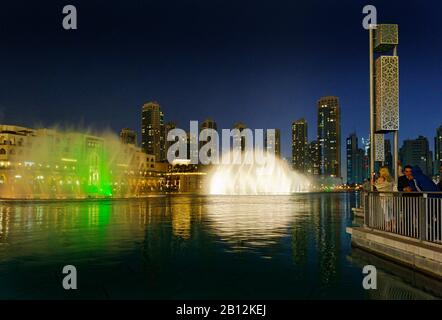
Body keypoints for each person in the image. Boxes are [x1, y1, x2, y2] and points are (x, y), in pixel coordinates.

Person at [372, 166, 394, 231]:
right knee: (391, 210)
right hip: (390, 196)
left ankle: (388, 225)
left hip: (383, 197)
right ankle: (393, 224)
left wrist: (372, 176)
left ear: (382, 171)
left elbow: (374, 184)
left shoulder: (381, 178)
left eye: (380, 170)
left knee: (386, 211)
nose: (379, 171)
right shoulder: (390, 179)